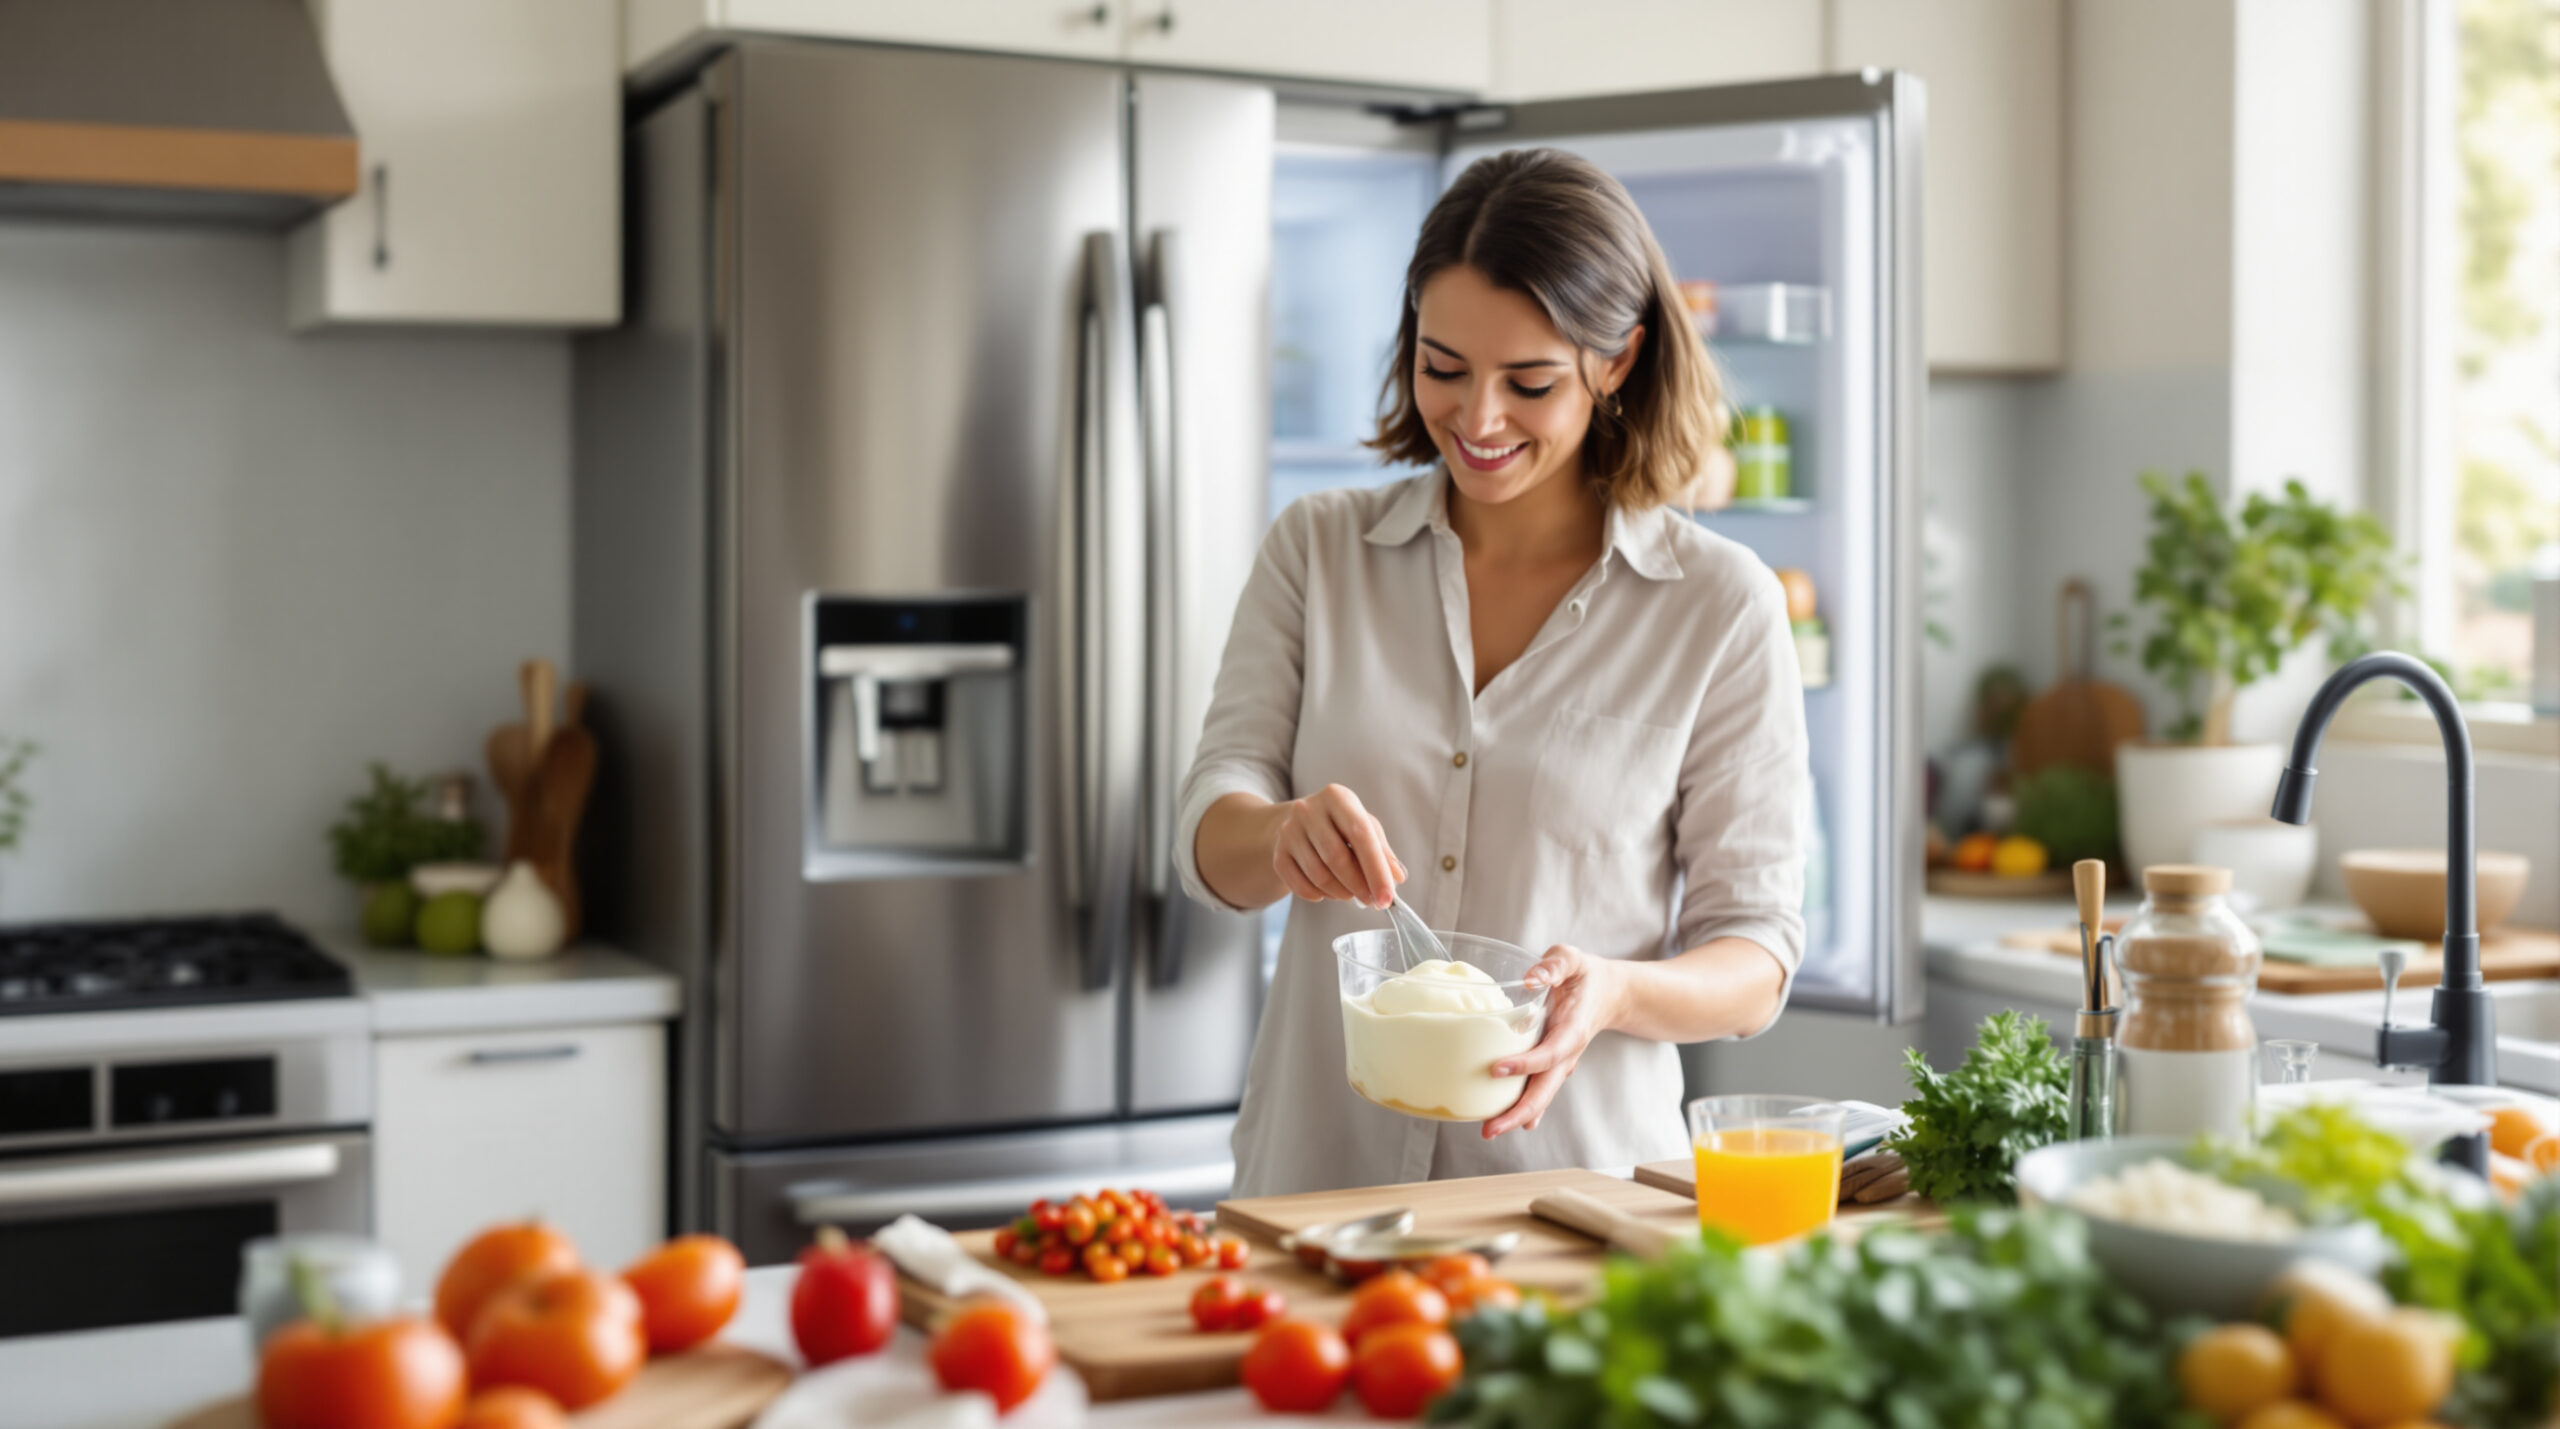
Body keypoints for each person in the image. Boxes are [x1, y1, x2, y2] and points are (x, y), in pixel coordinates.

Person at [1175, 147, 1810, 1197]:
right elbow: (1210, 828)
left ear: (1615, 362)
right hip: (1316, 1196)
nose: (1476, 420)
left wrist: (1610, 994)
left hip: (1575, 1204)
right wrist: (1280, 834)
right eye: (1442, 367)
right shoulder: (1318, 550)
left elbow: (1754, 955)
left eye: (1528, 382)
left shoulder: (1719, 604)